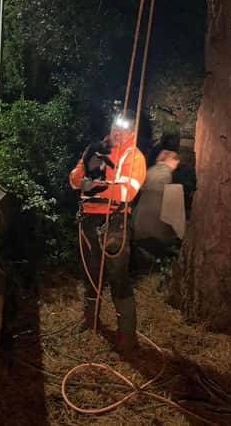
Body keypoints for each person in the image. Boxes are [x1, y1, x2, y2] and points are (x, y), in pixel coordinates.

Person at [69, 114, 146, 357]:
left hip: (114, 221)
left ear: (131, 131)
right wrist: (80, 181)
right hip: (89, 219)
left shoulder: (133, 156)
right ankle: (90, 318)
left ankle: (127, 333)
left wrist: (97, 186)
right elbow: (74, 177)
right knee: (90, 272)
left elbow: (127, 191)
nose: (117, 132)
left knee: (117, 276)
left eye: (123, 128)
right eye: (115, 126)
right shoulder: (94, 150)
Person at [131, 150, 184, 281]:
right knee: (165, 249)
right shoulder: (166, 175)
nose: (176, 166)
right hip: (158, 221)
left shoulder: (150, 171)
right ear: (171, 160)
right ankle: (163, 275)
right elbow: (170, 199)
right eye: (176, 162)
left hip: (140, 218)